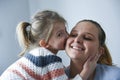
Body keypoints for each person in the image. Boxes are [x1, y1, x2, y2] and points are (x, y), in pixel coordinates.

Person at [0, 10, 97, 80]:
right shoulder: (49, 59)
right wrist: (86, 71)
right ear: (44, 43)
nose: (67, 36)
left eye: (65, 31)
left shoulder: (38, 55)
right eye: (60, 34)